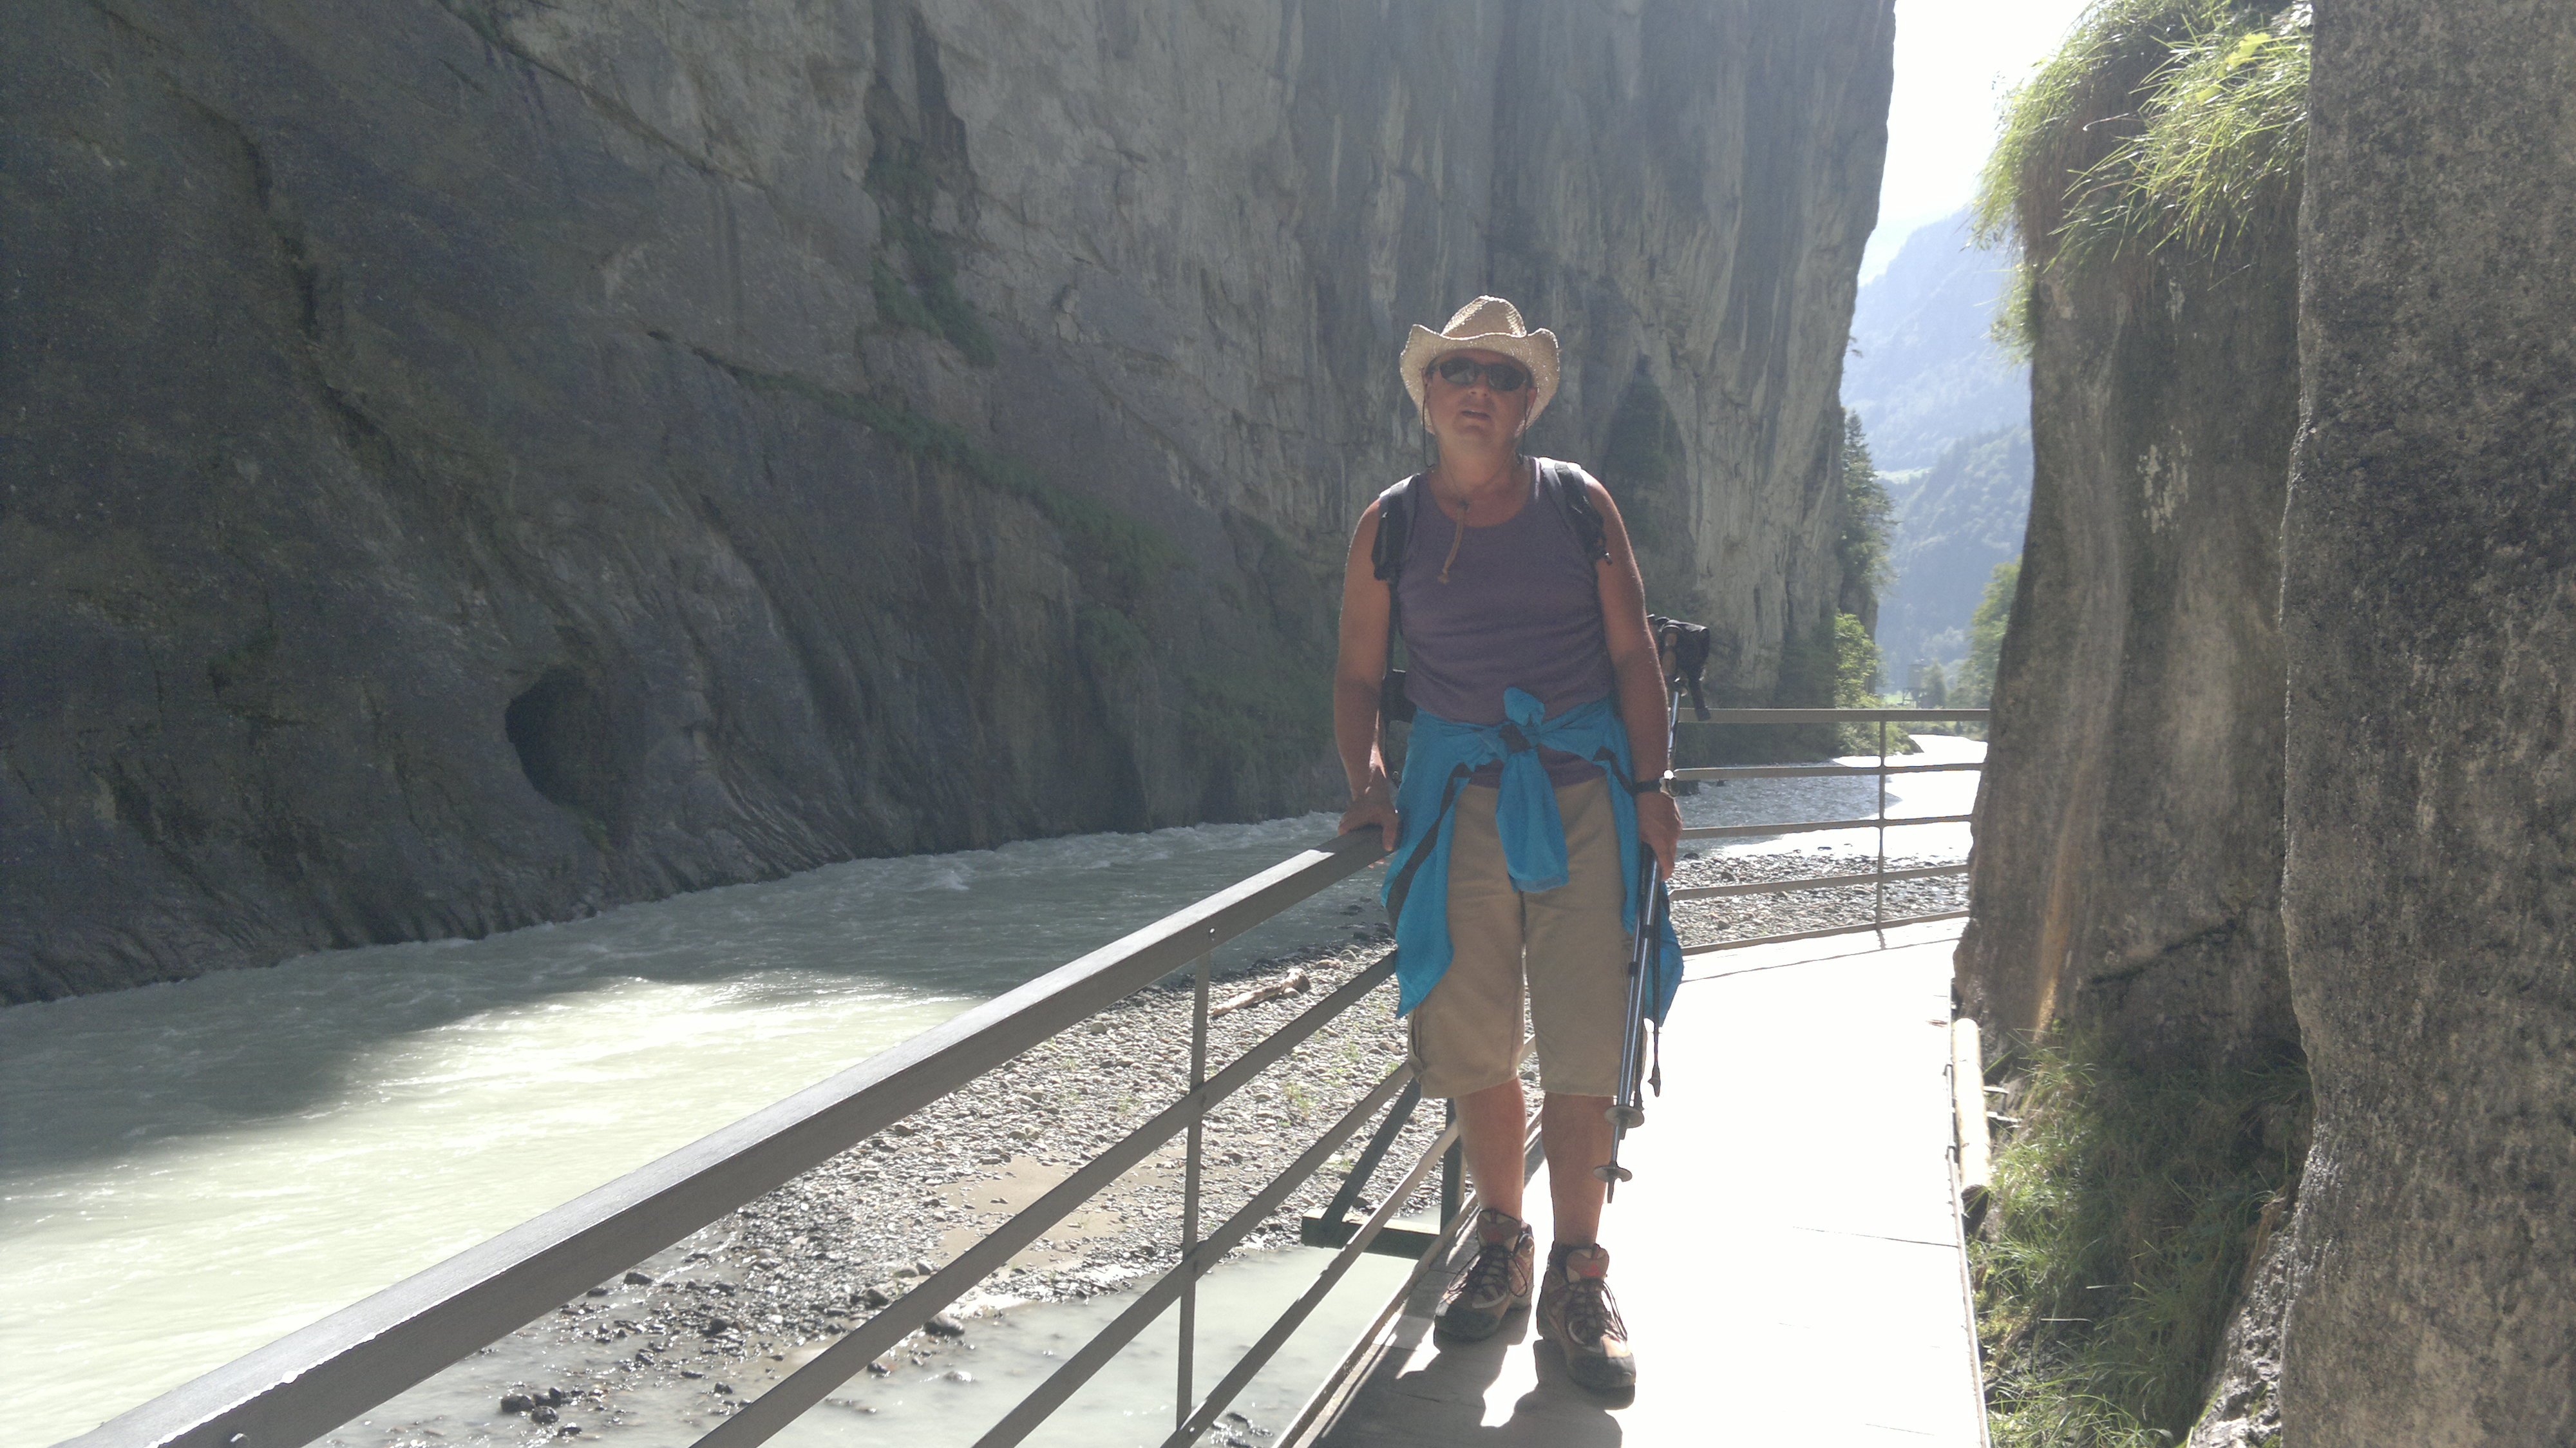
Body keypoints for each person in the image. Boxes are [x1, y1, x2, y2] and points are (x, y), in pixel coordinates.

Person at [1333, 296, 1683, 1395]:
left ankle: (1580, 1272)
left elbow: (1633, 656)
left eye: (1497, 373)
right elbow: (1355, 674)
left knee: (1585, 1044)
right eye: (1456, 371)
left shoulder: (1578, 504)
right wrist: (1369, 784)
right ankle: (1504, 1242)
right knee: (1475, 1040)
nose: (1475, 388)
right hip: (1453, 800)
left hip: (1585, 790)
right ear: (1429, 397)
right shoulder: (1389, 524)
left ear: (1526, 400)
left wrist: (1653, 783)